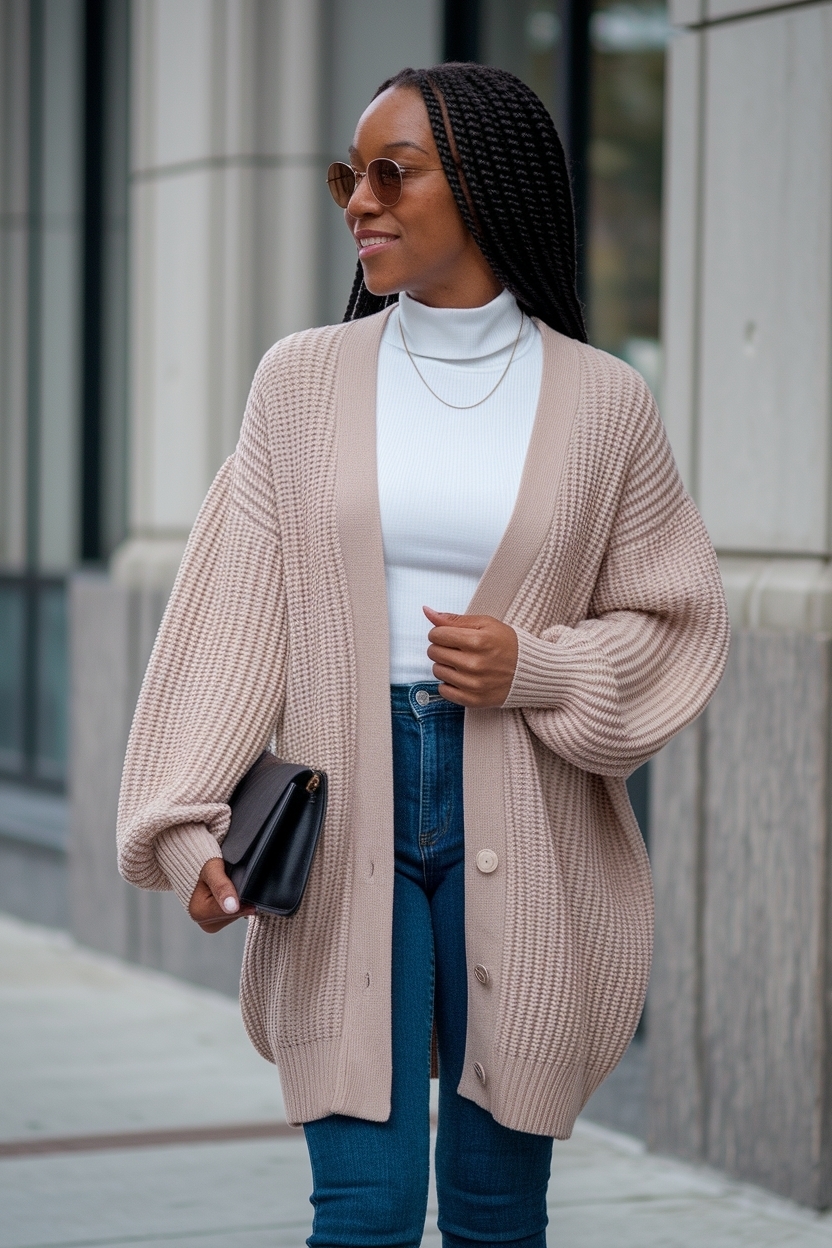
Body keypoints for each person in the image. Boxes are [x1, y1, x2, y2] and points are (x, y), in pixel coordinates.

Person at [117, 62, 729, 1248]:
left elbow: (676, 617)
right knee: (366, 1209)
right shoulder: (300, 381)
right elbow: (231, 614)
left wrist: (536, 669)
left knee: (500, 1214)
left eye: (393, 172)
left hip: (534, 817)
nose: (360, 200)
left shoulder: (604, 404)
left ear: (485, 188)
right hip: (339, 811)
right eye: (350, 175)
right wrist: (189, 823)